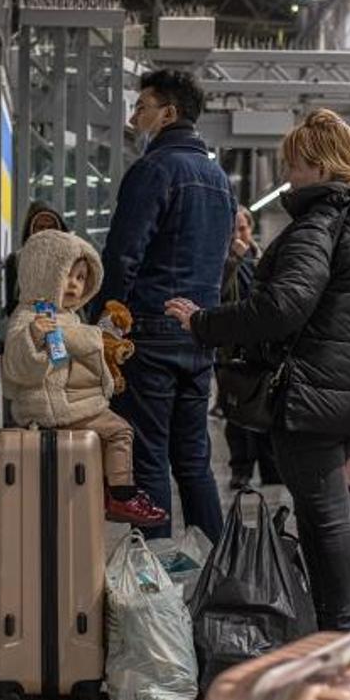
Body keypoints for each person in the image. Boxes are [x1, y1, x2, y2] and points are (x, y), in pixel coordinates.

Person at [166, 109, 350, 629]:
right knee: (336, 513)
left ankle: (342, 631)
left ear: (321, 167)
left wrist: (203, 322)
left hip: (309, 392)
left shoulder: (319, 225)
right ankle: (345, 623)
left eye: (295, 165)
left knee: (325, 517)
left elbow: (282, 307)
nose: (289, 176)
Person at [93, 68, 235, 541]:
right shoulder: (218, 179)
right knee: (194, 458)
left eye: (142, 107)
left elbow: (123, 252)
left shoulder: (154, 169)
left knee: (148, 455)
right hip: (199, 333)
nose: (135, 117)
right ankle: (214, 573)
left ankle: (156, 585)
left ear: (168, 113)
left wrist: (109, 316)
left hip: (150, 333)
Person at [3, 229, 168, 527]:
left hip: (71, 403)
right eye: (68, 274)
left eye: (81, 278)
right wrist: (33, 337)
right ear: (43, 272)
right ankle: (122, 494)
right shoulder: (29, 317)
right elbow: (17, 367)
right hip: (55, 408)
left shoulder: (68, 317)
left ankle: (107, 488)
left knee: (108, 436)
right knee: (120, 431)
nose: (74, 285)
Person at [217, 206, 280, 490]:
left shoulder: (264, 257)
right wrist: (232, 262)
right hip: (233, 351)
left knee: (266, 407)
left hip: (262, 348)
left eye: (242, 228)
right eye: (233, 230)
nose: (239, 235)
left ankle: (271, 470)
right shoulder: (223, 262)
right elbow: (218, 296)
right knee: (236, 414)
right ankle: (241, 469)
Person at [2, 201, 66, 319]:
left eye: (51, 227)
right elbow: (12, 304)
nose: (46, 231)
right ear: (31, 229)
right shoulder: (16, 260)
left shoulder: (71, 258)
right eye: (41, 227)